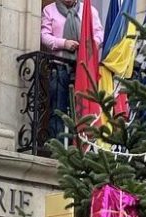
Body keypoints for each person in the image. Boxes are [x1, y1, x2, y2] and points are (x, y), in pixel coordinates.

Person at [41, 0, 104, 141]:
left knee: (81, 110)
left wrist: (88, 45)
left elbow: (99, 34)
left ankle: (79, 147)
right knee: (58, 109)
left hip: (83, 70)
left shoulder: (89, 11)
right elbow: (44, 36)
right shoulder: (49, 10)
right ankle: (57, 147)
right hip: (59, 68)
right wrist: (64, 43)